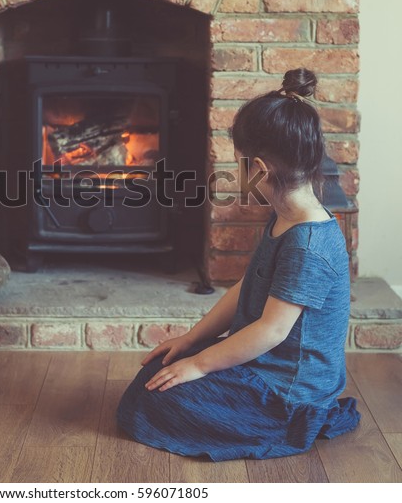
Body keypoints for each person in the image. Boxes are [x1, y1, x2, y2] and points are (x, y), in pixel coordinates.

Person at [116, 68, 361, 461]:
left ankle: (275, 423)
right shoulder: (285, 215)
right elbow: (246, 287)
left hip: (289, 391)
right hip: (264, 365)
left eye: (239, 162)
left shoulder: (309, 244)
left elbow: (271, 330)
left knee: (154, 402)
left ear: (260, 170)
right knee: (157, 376)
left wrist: (200, 365)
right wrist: (191, 342)